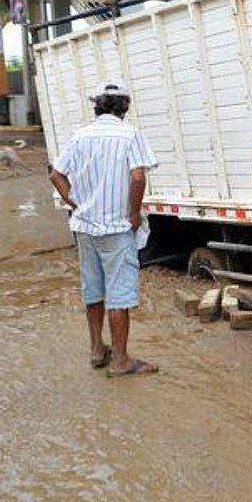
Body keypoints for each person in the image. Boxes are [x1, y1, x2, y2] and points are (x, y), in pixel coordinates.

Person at [49, 81, 159, 377]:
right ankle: (121, 360)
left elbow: (56, 173)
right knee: (119, 294)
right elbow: (137, 178)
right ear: (125, 107)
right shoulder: (130, 134)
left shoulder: (80, 136)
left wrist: (73, 202)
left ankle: (97, 349)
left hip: (85, 228)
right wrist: (134, 214)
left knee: (93, 289)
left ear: (97, 106)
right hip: (116, 227)